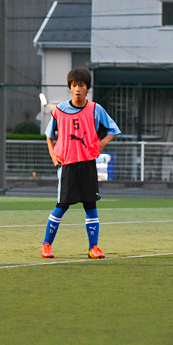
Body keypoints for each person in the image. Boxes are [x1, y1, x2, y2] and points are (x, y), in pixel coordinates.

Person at [40, 67, 120, 259]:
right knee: (62, 205)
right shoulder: (60, 110)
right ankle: (46, 245)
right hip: (67, 165)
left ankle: (93, 247)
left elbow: (113, 129)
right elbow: (49, 135)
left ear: (87, 88)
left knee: (90, 206)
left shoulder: (95, 109)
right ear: (70, 88)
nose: (77, 89)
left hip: (88, 164)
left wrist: (101, 144)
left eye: (81, 85)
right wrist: (53, 155)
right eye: (74, 85)